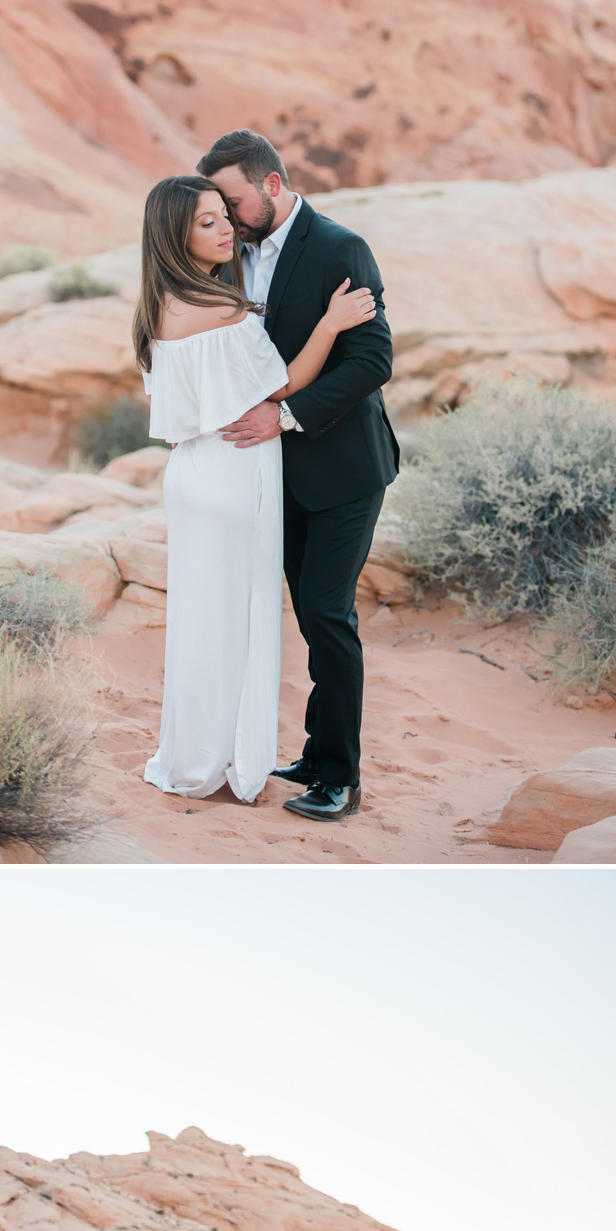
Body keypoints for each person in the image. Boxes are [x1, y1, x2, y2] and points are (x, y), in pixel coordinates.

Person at [134, 172, 378, 810]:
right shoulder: (222, 308)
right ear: (175, 235)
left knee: (198, 620)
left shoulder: (156, 304)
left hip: (191, 474)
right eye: (207, 222)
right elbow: (282, 387)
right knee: (241, 625)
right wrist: (330, 322)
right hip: (238, 469)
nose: (226, 231)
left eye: (225, 215)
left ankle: (194, 756)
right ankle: (237, 761)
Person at [199, 129, 401, 822]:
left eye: (231, 200)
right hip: (275, 476)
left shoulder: (341, 249)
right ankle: (316, 752)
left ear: (272, 185)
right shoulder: (231, 256)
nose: (225, 216)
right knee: (312, 616)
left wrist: (285, 420)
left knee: (327, 612)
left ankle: (340, 776)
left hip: (345, 471)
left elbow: (372, 362)